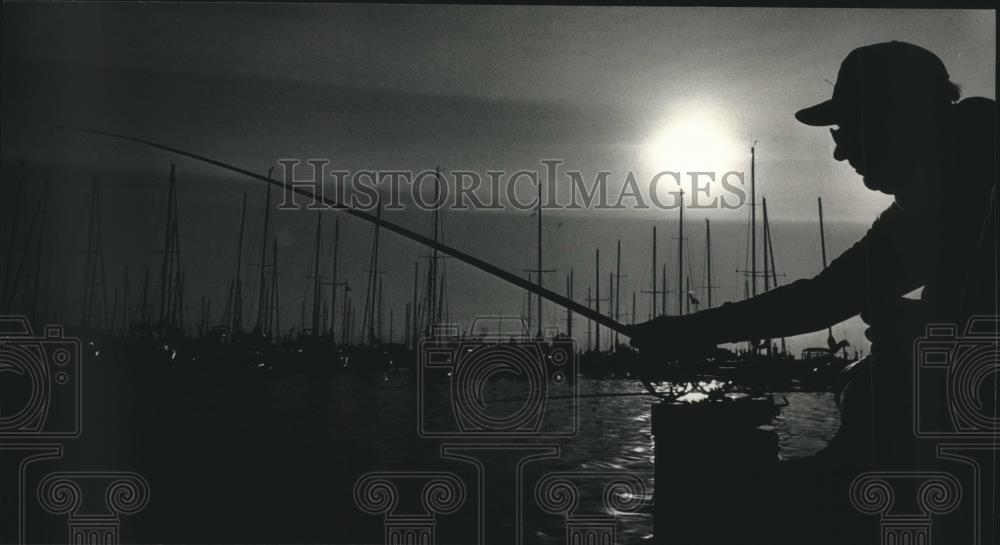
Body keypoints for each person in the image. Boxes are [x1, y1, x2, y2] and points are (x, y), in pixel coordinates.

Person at [627, 41, 996, 543]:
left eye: (845, 130)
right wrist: (692, 330)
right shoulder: (933, 199)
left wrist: (930, 331)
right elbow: (827, 296)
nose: (841, 150)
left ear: (893, 118)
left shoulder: (969, 186)